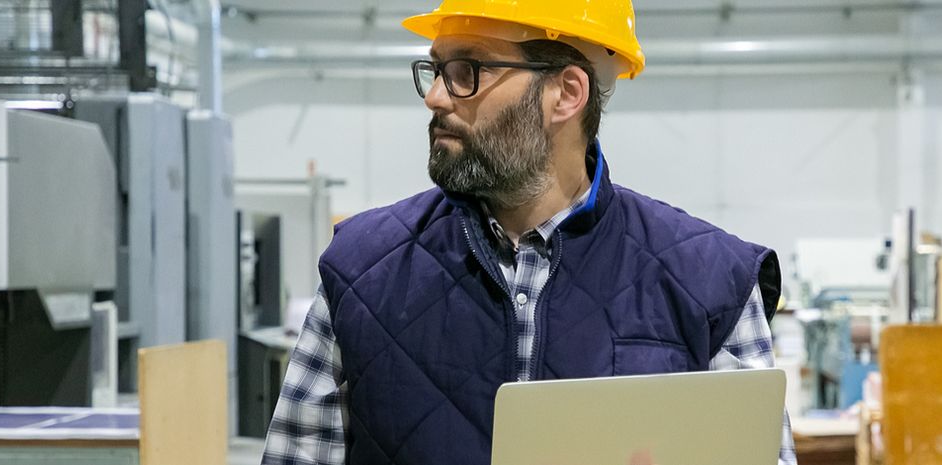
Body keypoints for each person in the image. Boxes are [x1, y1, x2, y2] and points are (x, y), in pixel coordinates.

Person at [261, 1, 796, 464]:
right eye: (436, 69)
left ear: (566, 93)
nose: (436, 98)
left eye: (466, 69)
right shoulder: (361, 271)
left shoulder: (710, 284)